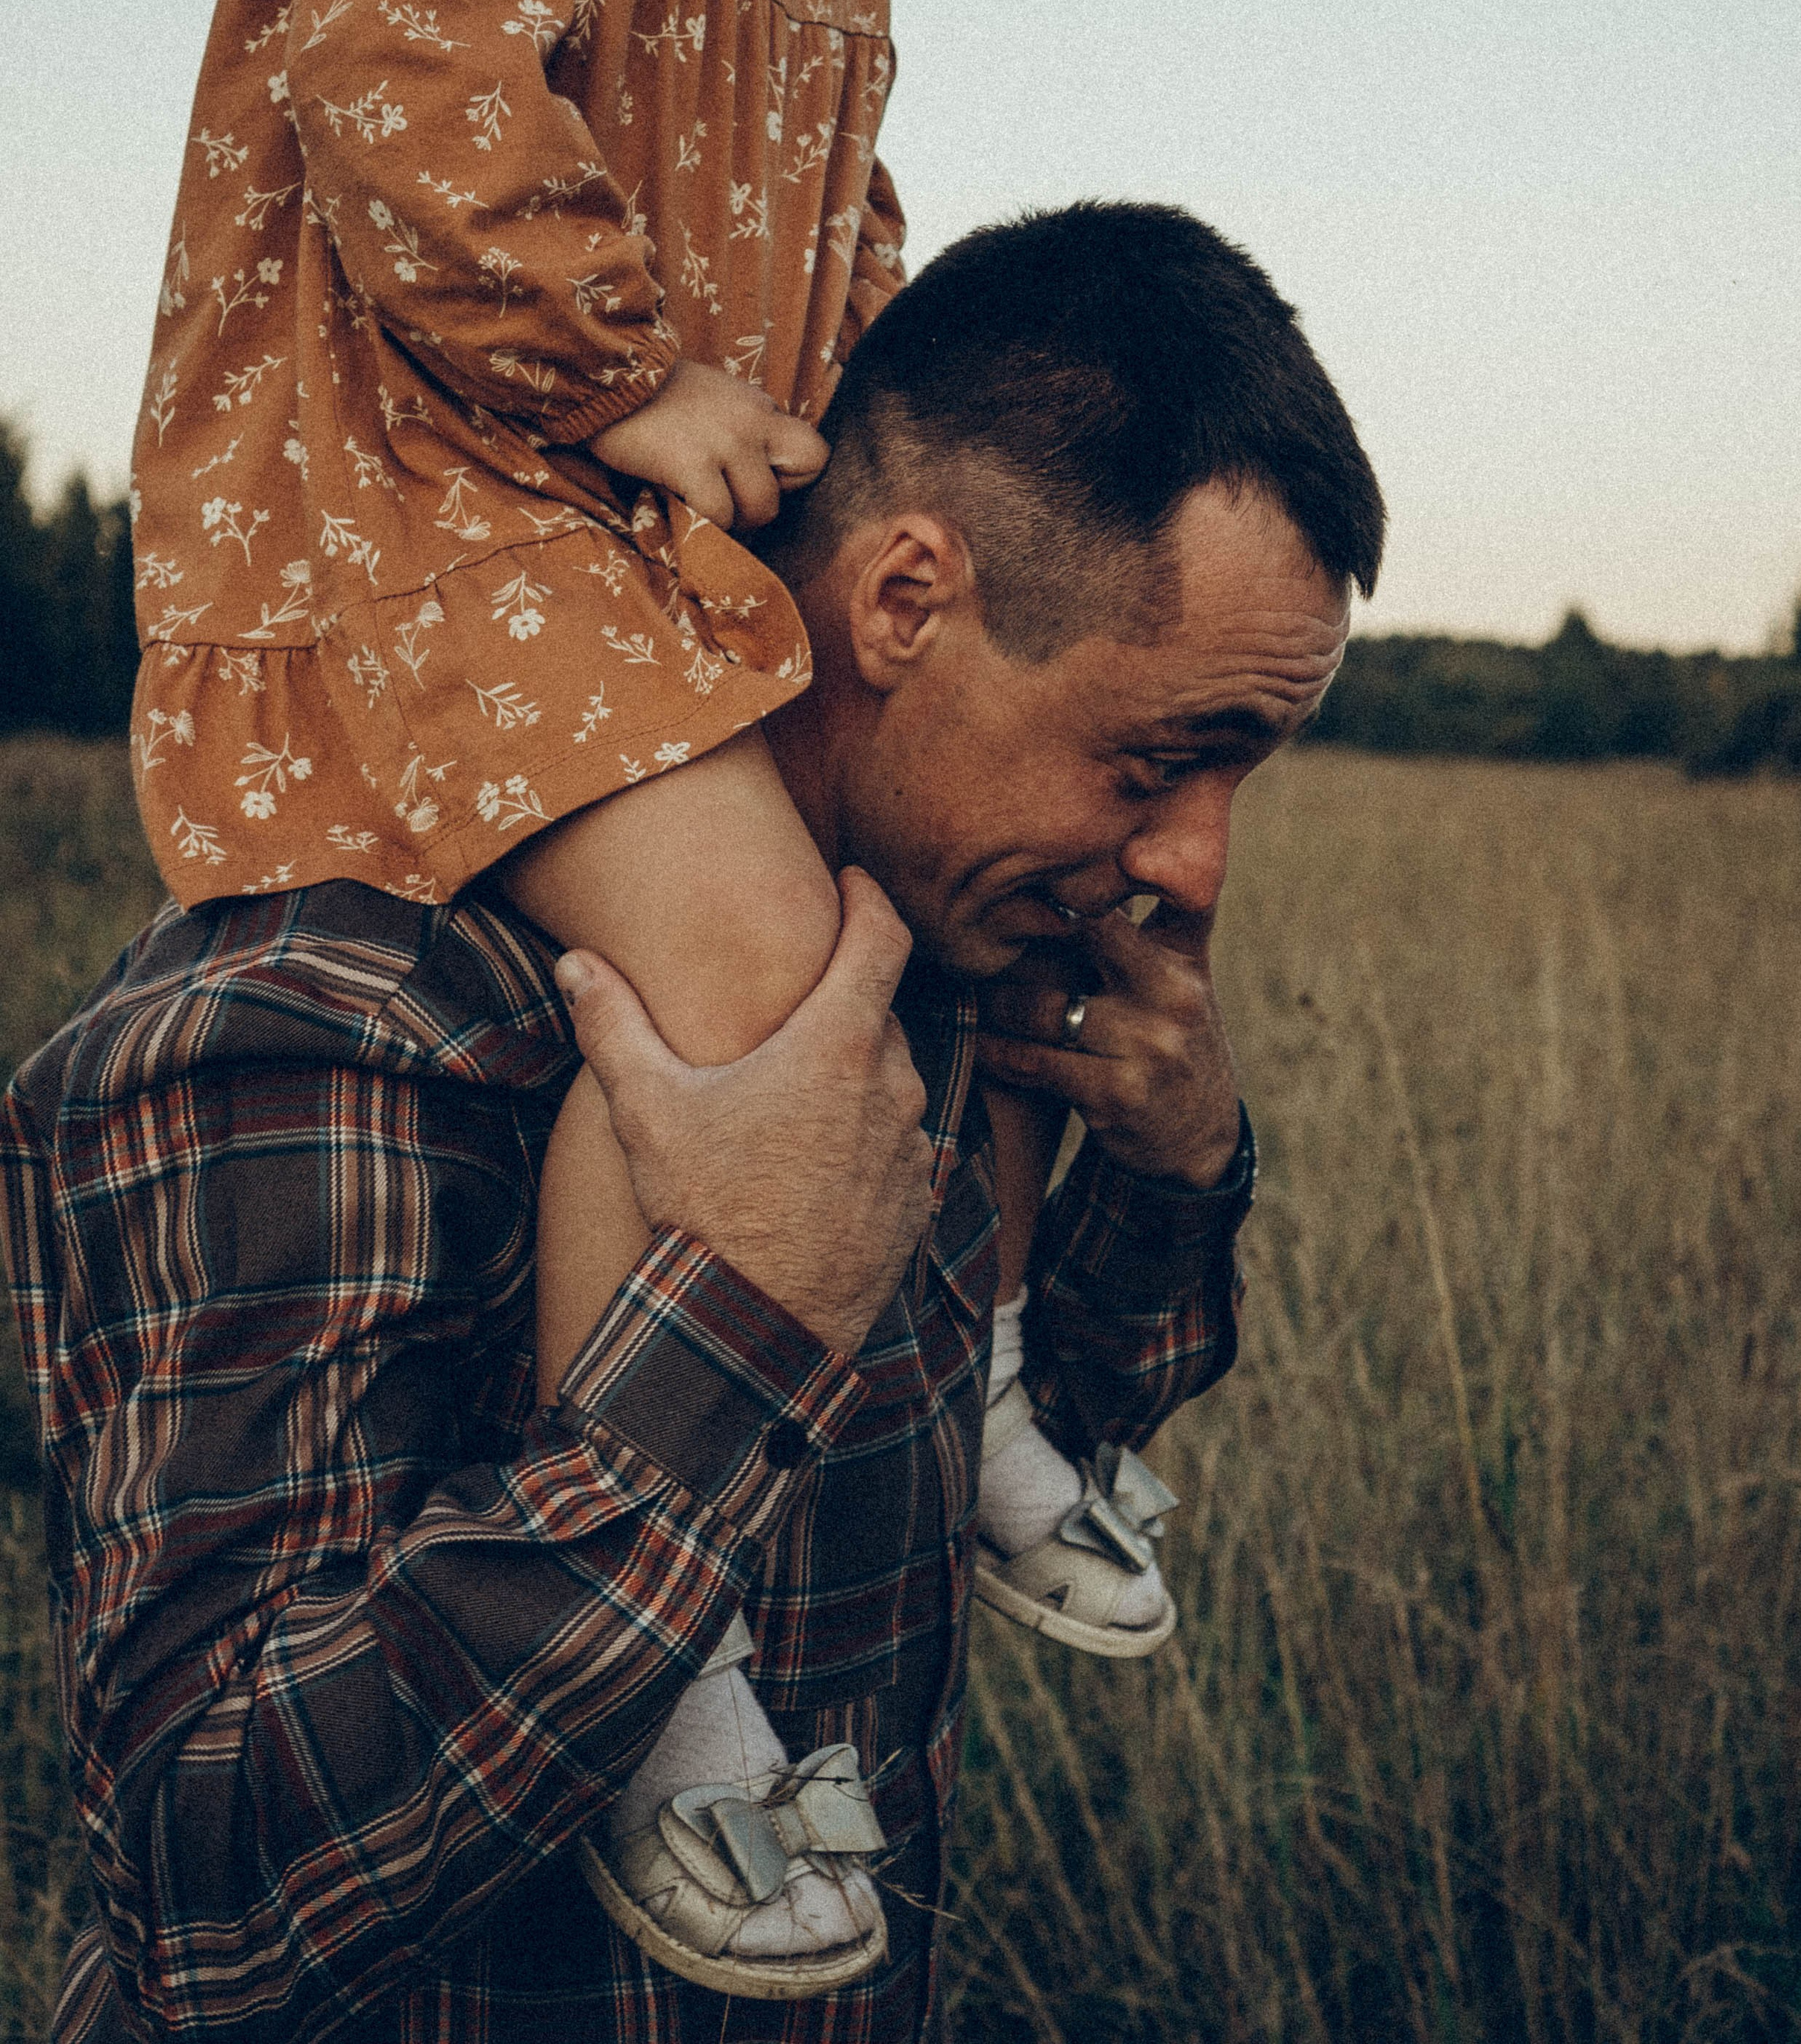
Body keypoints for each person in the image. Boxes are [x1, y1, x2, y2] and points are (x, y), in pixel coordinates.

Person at [115, 0, 1127, 1990]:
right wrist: (617, 375)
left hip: (664, 545)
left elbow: (841, 236)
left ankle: (1009, 1358)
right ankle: (653, 1681)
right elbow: (411, 79)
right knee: (735, 942)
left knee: (990, 863)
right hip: (439, 520)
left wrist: (902, 448)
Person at [1, 202, 1385, 2041]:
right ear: (902, 601)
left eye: (1237, 773)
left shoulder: (941, 979)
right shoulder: (315, 1025)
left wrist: (1175, 1161)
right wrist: (736, 1325)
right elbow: (206, 1893)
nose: (1196, 860)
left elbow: (1040, 1446)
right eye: (1152, 760)